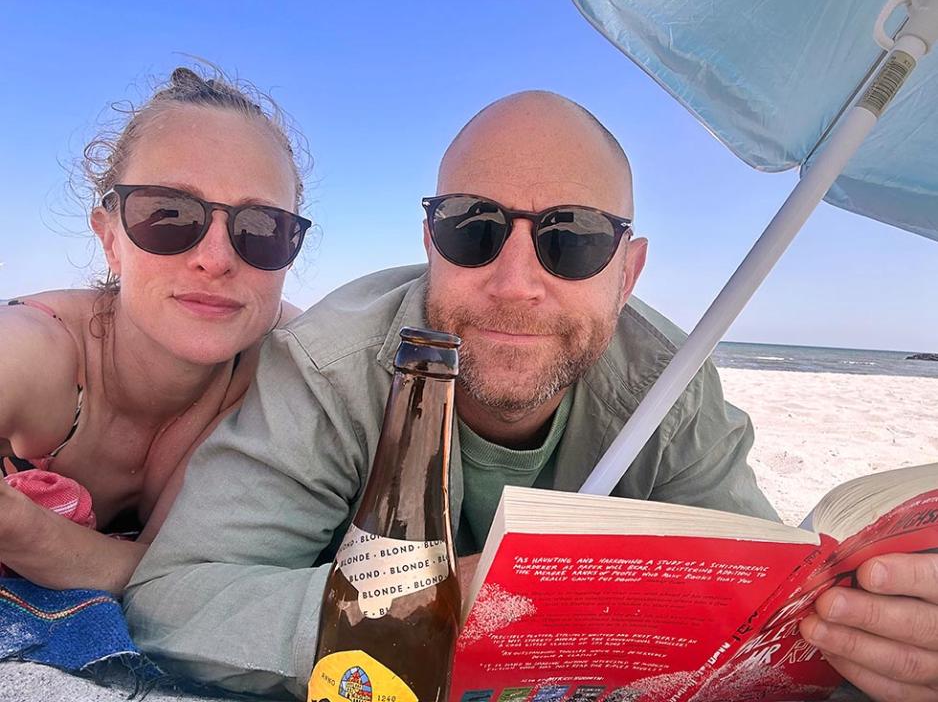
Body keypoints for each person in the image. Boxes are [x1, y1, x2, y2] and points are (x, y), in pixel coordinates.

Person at [125, 92, 938, 702]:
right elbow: (177, 599)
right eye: (471, 227)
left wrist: (878, 641)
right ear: (430, 244)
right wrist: (423, 608)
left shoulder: (670, 391)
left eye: (572, 238)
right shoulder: (335, 367)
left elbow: (767, 614)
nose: (515, 284)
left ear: (628, 272)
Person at [0, 66, 312, 595]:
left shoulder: (293, 360)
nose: (216, 259)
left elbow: (183, 578)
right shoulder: (36, 348)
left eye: (261, 228)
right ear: (110, 240)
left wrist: (21, 530)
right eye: (168, 214)